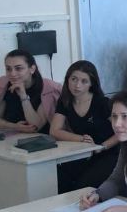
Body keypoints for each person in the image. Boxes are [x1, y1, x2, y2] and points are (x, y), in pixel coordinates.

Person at [51, 61, 120, 193]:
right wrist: (82, 139)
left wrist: (101, 147)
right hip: (83, 152)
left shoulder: (102, 102)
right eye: (74, 79)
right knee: (60, 180)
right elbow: (54, 130)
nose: (77, 85)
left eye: (84, 81)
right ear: (67, 79)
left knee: (83, 187)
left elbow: (122, 132)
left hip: (109, 152)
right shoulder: (65, 100)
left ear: (91, 84)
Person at [0, 49, 61, 134]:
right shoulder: (4, 84)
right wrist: (15, 126)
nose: (12, 74)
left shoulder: (48, 88)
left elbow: (35, 127)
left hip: (41, 137)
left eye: (18, 68)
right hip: (15, 135)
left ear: (32, 69)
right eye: (8, 69)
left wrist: (23, 96)